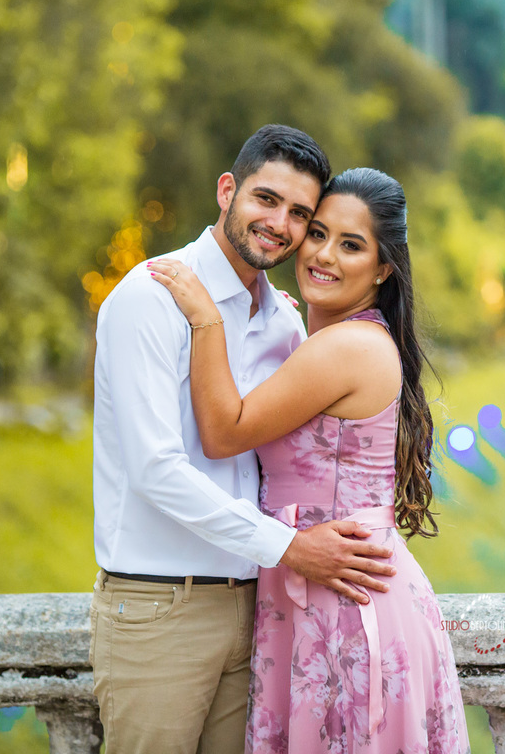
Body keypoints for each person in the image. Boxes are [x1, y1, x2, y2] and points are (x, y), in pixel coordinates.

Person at [91, 125, 397, 754]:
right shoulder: (151, 298)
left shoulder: (283, 320)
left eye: (300, 215)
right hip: (159, 605)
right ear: (227, 191)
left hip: (258, 609)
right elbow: (156, 470)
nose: (279, 224)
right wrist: (288, 546)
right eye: (266, 199)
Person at [146, 167, 470, 753]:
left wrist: (206, 317)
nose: (323, 254)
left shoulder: (348, 347)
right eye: (317, 233)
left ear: (383, 268)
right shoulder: (321, 339)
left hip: (343, 600)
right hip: (315, 586)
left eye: (351, 245)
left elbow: (225, 431)